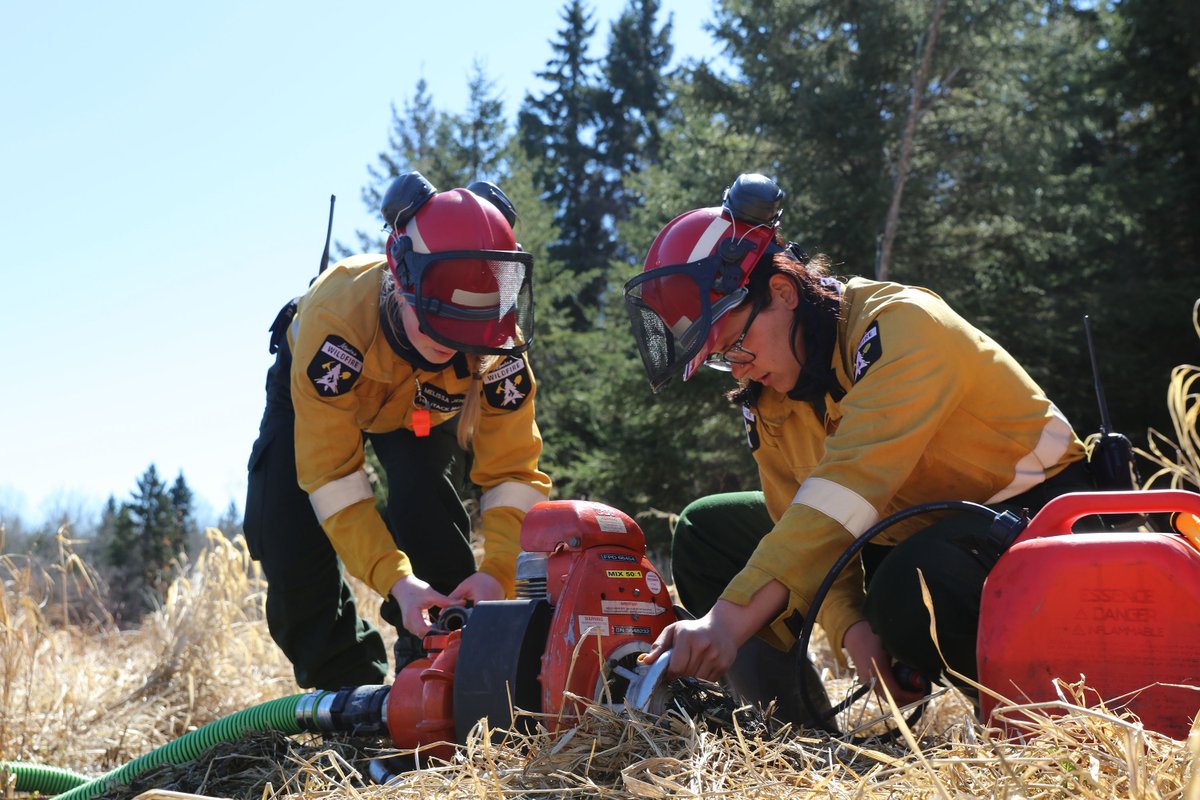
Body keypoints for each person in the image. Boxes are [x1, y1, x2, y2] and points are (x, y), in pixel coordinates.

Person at [623, 173, 1096, 725]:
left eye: (736, 345)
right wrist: (850, 624)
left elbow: (849, 485)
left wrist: (724, 623)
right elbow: (802, 519)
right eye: (724, 360)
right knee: (710, 531)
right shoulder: (770, 400)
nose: (740, 368)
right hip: (908, 533)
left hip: (1046, 523)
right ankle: (792, 735)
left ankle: (1042, 727)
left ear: (782, 292)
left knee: (909, 589)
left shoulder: (905, 327)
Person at [244, 172, 552, 690]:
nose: (452, 344)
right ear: (401, 280)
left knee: (422, 497)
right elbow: (334, 479)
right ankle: (345, 687)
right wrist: (396, 581)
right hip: (321, 395)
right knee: (284, 528)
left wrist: (499, 572)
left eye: (468, 334)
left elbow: (513, 472)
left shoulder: (496, 346)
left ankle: (449, 663)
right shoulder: (334, 324)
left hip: (419, 413)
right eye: (437, 325)